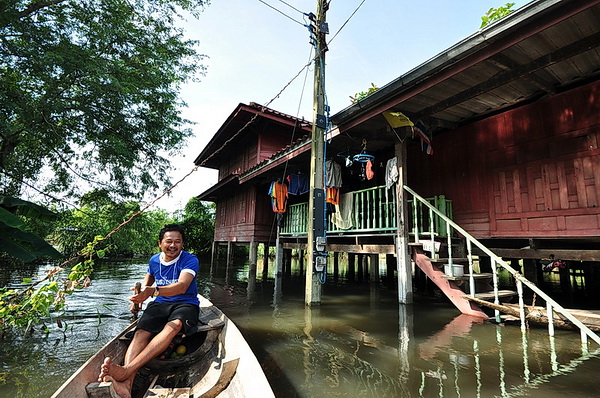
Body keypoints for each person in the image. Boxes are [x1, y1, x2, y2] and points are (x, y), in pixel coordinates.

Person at [97, 224, 200, 398]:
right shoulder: (153, 261)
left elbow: (182, 287)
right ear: (160, 243)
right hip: (160, 303)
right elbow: (146, 285)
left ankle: (126, 371)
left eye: (177, 242)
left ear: (182, 244)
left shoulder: (190, 260)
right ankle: (126, 386)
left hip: (185, 303)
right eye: (169, 241)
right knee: (141, 333)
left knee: (173, 327)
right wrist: (138, 300)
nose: (173, 246)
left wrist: (152, 291)